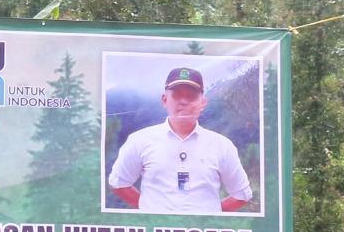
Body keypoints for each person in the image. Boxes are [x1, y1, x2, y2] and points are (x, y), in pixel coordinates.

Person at [106, 66, 253, 214]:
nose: (183, 101)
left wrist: (211, 216)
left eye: (191, 96)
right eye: (177, 95)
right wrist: (149, 211)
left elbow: (242, 194)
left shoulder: (222, 145)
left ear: (203, 102)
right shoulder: (139, 140)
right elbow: (119, 183)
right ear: (164, 100)